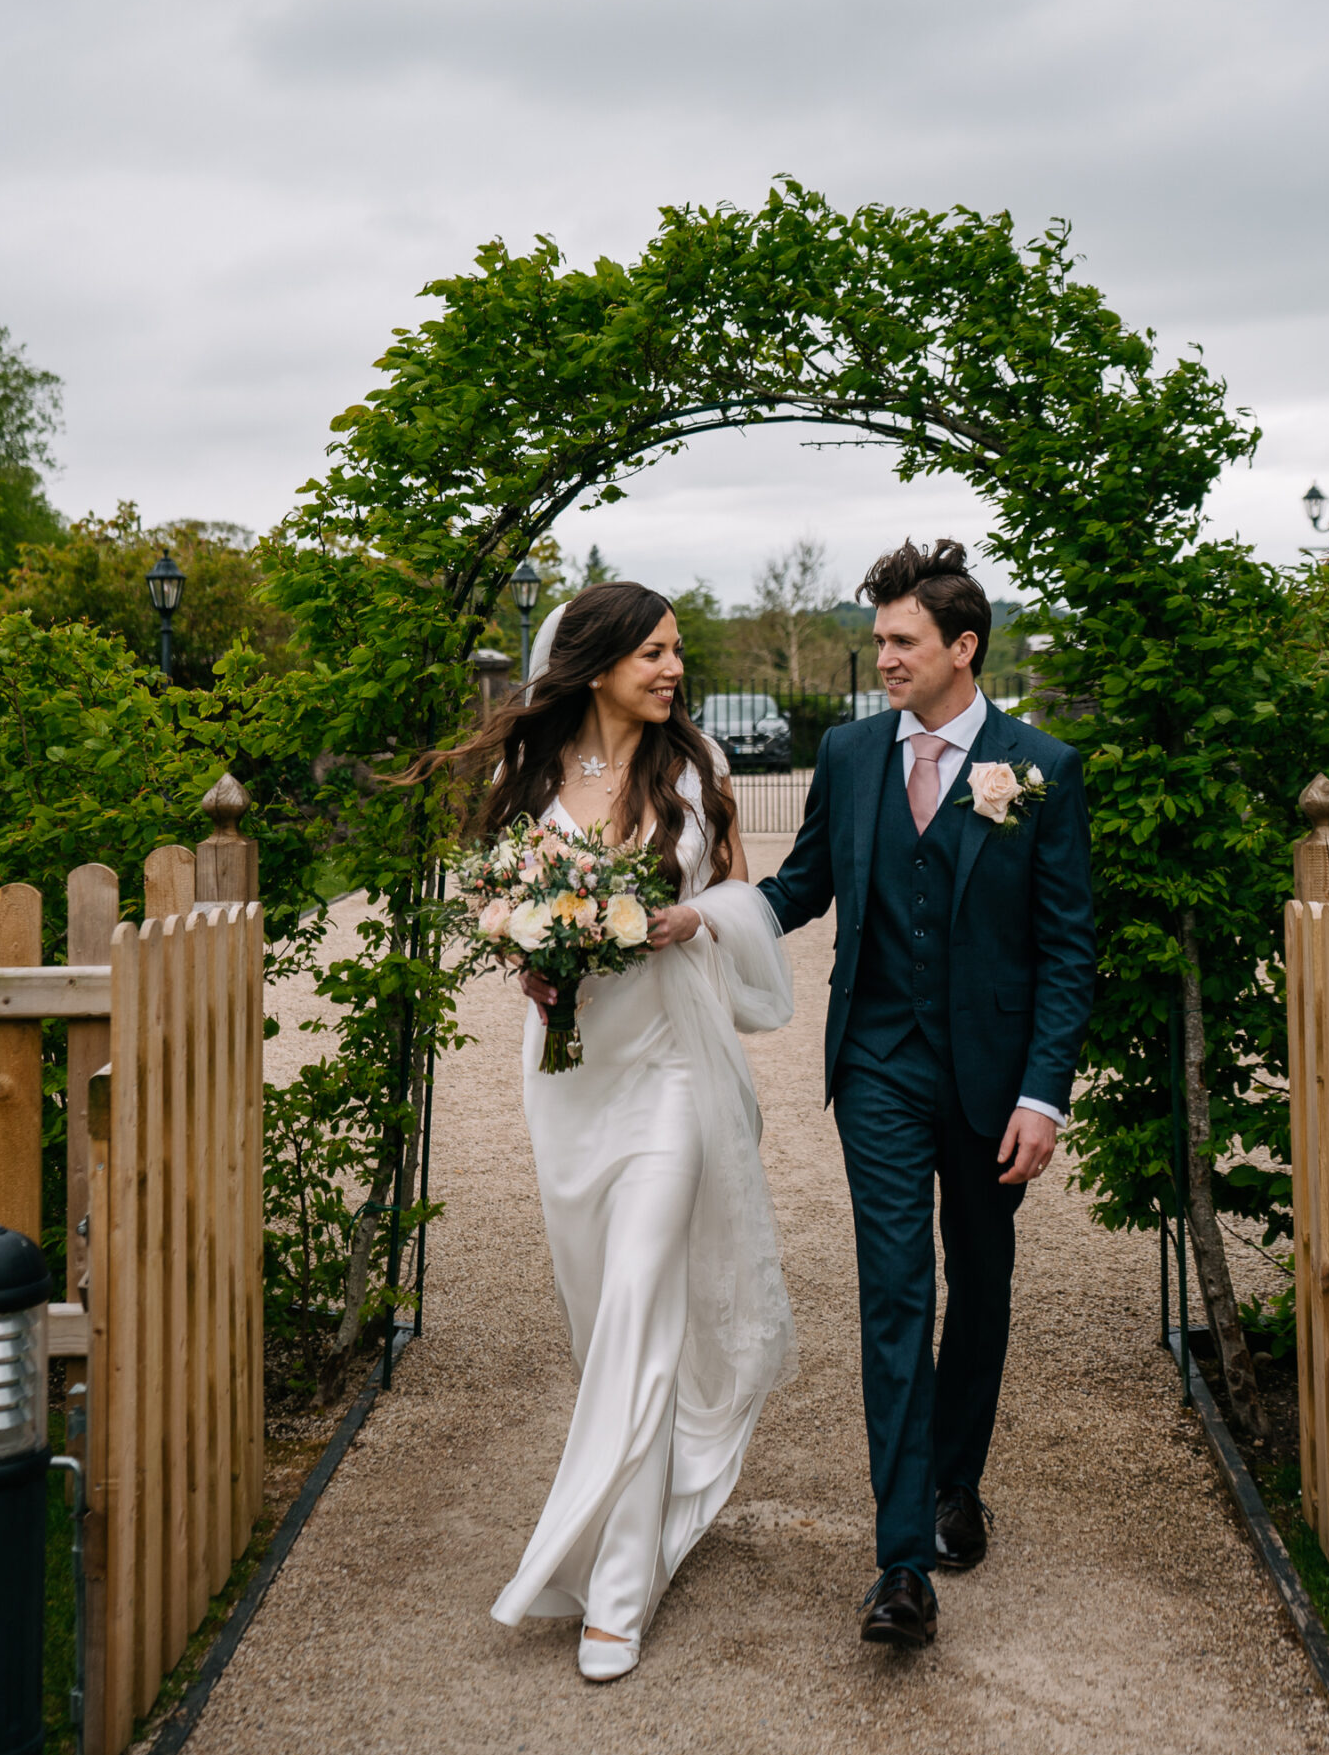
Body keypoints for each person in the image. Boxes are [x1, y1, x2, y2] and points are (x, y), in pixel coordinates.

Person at [758, 538, 1094, 1649]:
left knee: (980, 1278)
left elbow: (1065, 949)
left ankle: (959, 1477)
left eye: (902, 640)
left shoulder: (1038, 764)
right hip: (879, 1068)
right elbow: (804, 883)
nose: (883, 657)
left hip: (995, 1084)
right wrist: (693, 920)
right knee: (896, 1290)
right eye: (878, 639)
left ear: (963, 646)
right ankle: (902, 1561)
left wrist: (1044, 1097)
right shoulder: (851, 754)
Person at [460, 582, 795, 1683]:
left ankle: (614, 1586)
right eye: (653, 651)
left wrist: (690, 916)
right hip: (568, 1076)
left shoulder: (695, 772)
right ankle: (645, 1510)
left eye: (677, 652)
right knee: (603, 1307)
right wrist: (527, 953)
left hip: (668, 1071)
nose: (671, 669)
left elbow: (743, 900)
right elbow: (495, 904)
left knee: (645, 1298)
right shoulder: (527, 778)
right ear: (596, 660)